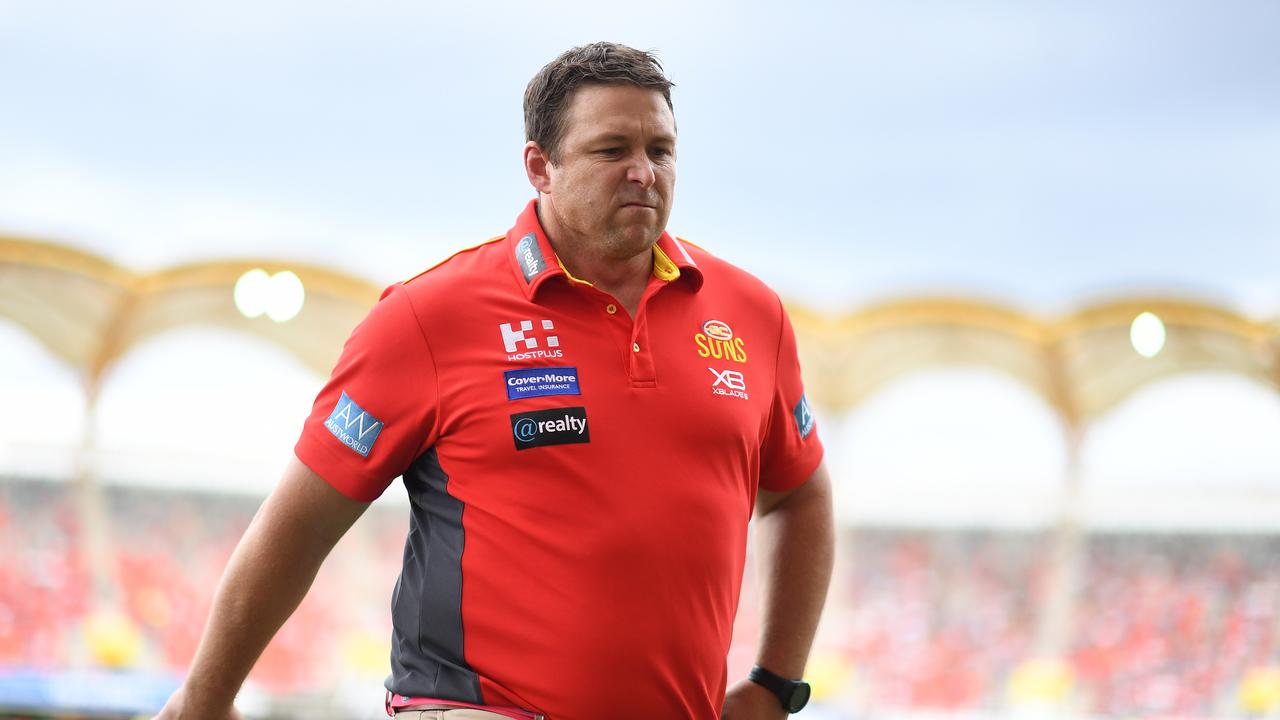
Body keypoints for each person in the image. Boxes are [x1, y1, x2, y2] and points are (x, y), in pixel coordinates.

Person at [154, 42, 833, 720]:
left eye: (661, 150)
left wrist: (777, 684)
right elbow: (301, 524)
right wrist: (205, 701)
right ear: (540, 166)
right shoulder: (428, 317)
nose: (642, 173)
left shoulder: (752, 314)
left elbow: (800, 495)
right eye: (611, 150)